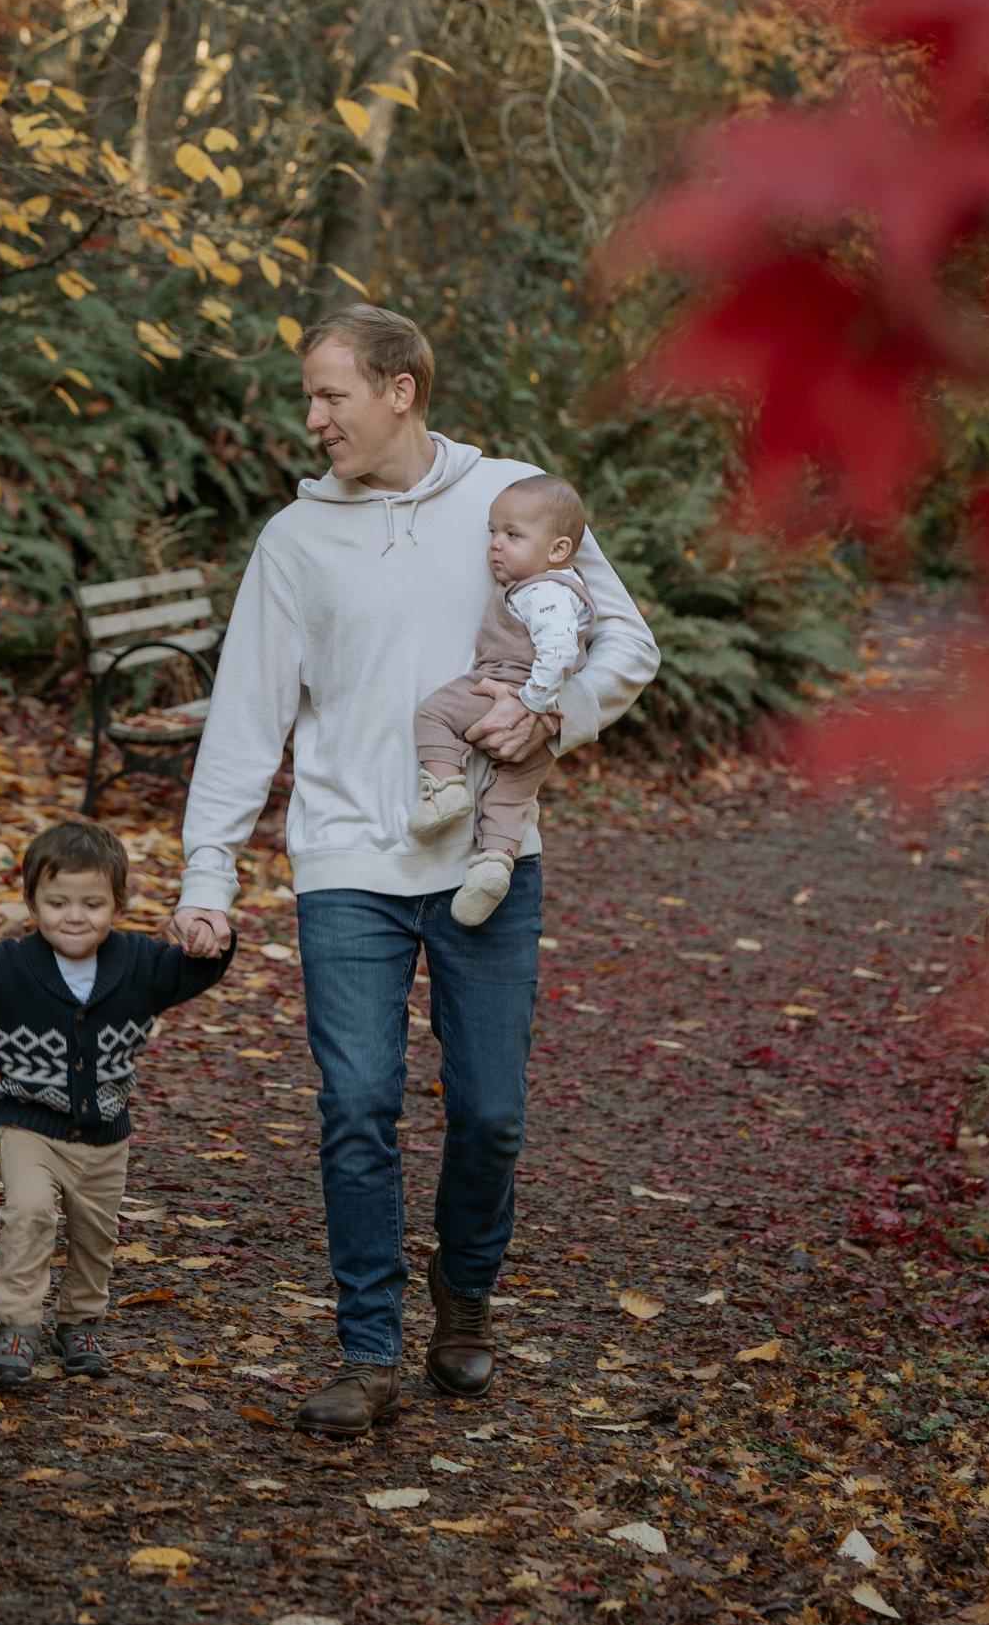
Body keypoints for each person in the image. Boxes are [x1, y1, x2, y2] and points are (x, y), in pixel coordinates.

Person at [169, 308, 658, 1437]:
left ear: (400, 389)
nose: (314, 417)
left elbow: (627, 641)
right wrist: (209, 874)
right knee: (359, 1105)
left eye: (331, 394)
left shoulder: (517, 500)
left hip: (488, 856)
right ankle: (369, 1345)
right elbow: (247, 716)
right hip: (347, 858)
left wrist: (552, 723)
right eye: (309, 397)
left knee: (489, 1113)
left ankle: (466, 1296)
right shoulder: (296, 540)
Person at [0, 819, 233, 1387]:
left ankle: (79, 1321)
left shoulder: (139, 964)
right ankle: (17, 1325)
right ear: (33, 902)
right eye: (57, 902)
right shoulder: (6, 968)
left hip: (106, 1135)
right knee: (29, 1213)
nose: (75, 916)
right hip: (29, 1125)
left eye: (92, 903)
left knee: (95, 1233)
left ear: (118, 904)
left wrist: (207, 935)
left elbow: (196, 970)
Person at [408, 472, 594, 925]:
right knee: (510, 796)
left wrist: (529, 701)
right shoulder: (560, 587)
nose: (495, 544)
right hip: (548, 717)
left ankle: (445, 788)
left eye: (512, 535)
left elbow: (559, 652)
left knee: (434, 712)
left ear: (557, 551)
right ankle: (493, 864)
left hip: (507, 690)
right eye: (492, 532)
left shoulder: (542, 591)